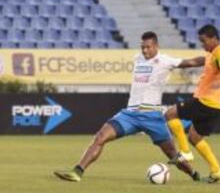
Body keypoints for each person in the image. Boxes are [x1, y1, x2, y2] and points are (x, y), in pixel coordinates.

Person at [53, 31, 205, 182]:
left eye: (148, 47)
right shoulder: (138, 58)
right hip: (130, 114)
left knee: (173, 154)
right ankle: (77, 171)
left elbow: (191, 62)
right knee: (100, 137)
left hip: (152, 116)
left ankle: (195, 175)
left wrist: (211, 59)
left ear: (156, 46)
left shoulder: (165, 61)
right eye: (142, 47)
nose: (145, 50)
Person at [166, 24, 220, 183]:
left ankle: (185, 153)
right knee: (195, 137)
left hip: (205, 102)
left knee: (170, 114)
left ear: (214, 38)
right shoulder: (211, 54)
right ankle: (216, 171)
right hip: (215, 107)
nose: (202, 45)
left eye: (204, 41)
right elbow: (201, 62)